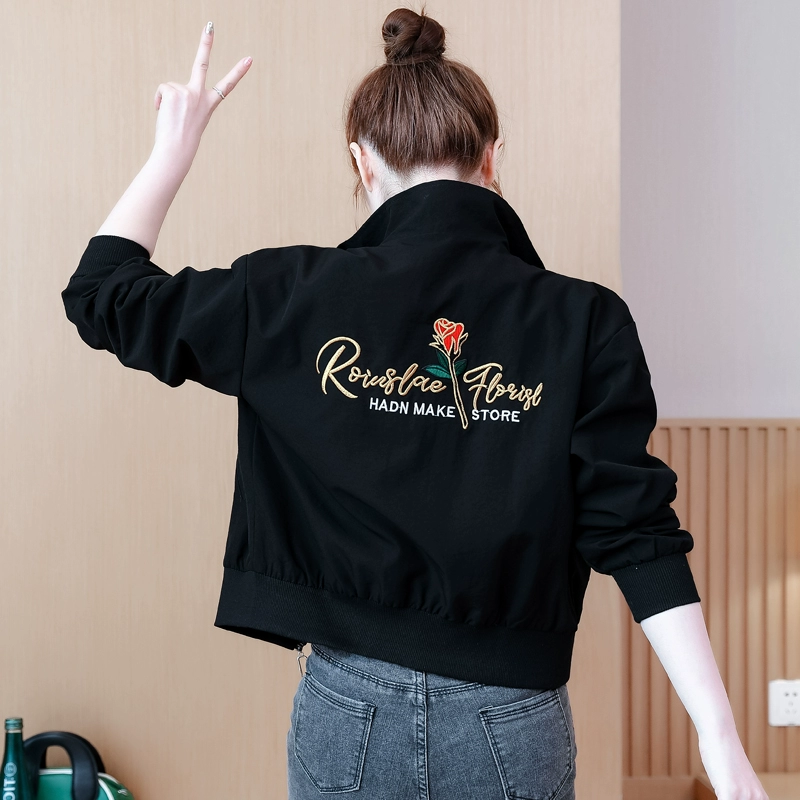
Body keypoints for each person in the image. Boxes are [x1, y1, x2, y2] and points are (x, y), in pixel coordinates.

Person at [61, 7, 769, 800]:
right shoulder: (585, 320)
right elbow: (635, 531)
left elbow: (102, 294)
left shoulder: (287, 295)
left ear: (361, 163)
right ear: (492, 159)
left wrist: (174, 150)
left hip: (347, 710)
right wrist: (718, 734)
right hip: (512, 719)